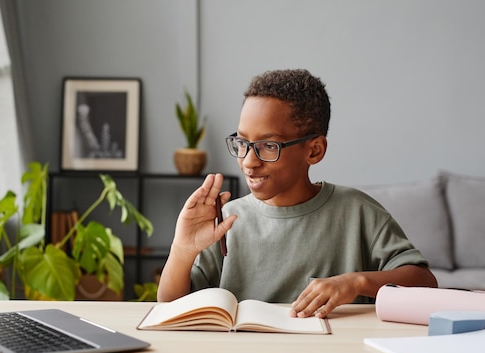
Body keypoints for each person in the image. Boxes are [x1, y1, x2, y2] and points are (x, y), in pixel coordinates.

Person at [157, 69, 437, 318]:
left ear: (314, 150)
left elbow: (424, 281)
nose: (248, 161)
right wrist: (183, 249)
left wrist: (356, 282)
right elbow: (170, 305)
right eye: (242, 142)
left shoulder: (357, 211)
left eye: (268, 146)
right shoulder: (226, 220)